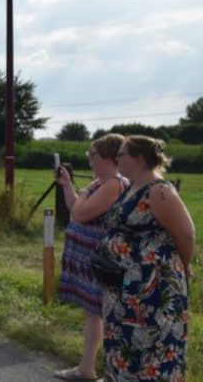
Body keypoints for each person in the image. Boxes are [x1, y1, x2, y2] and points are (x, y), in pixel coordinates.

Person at [101, 136, 194, 380]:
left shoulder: (159, 191)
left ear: (139, 158)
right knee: (126, 348)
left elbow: (185, 233)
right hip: (125, 288)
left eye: (122, 154)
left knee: (154, 349)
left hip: (152, 288)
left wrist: (182, 266)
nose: (117, 158)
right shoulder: (131, 187)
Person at [52, 134, 127, 381]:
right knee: (94, 314)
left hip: (102, 262)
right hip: (92, 261)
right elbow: (76, 206)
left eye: (92, 155)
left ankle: (97, 369)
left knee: (103, 315)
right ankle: (88, 367)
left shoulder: (112, 184)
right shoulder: (100, 182)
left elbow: (81, 213)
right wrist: (67, 186)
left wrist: (81, 195)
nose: (90, 160)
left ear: (107, 156)